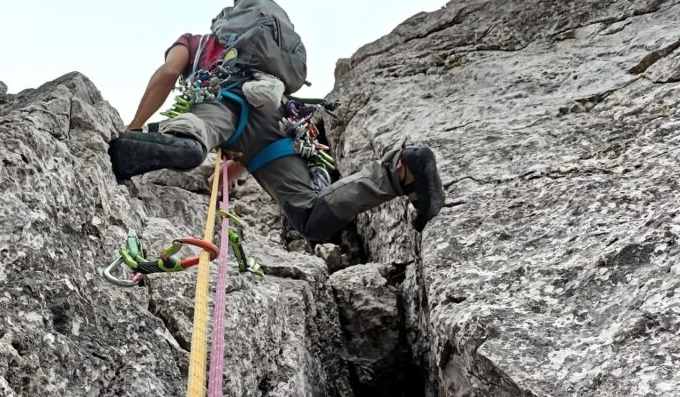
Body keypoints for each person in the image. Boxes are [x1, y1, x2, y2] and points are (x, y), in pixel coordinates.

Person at [109, 32, 445, 242]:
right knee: (311, 217)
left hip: (223, 98)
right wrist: (222, 178)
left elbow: (168, 73)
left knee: (194, 137)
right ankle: (399, 172)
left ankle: (178, 143)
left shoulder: (194, 43)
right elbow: (250, 154)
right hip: (277, 121)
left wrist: (135, 124)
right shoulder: (267, 64)